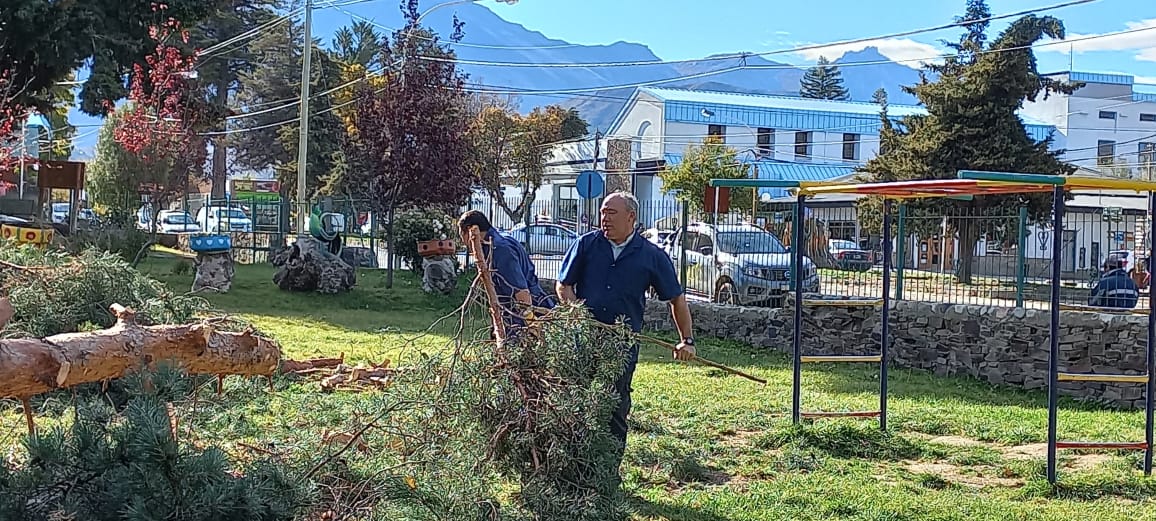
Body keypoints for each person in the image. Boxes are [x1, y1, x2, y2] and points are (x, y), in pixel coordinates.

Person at [555, 191, 696, 465]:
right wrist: (577, 311)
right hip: (582, 340)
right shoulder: (586, 245)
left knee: (614, 407)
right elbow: (564, 286)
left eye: (611, 213)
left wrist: (686, 340)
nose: (604, 218)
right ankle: (574, 468)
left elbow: (676, 299)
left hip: (622, 345)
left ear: (631, 217)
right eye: (603, 212)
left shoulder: (651, 256)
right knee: (576, 402)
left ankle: (608, 473)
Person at [458, 210, 555, 333]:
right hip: (511, 312)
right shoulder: (497, 241)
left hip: (523, 313)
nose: (462, 241)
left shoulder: (499, 250)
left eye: (461, 234)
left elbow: (521, 293)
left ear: (469, 229)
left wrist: (532, 325)